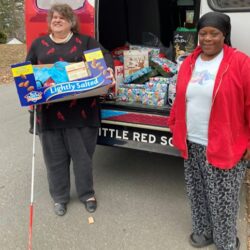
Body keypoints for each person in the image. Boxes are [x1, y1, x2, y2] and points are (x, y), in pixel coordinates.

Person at [167, 12, 250, 250]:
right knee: (197, 192)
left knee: (223, 199)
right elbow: (180, 98)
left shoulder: (241, 63)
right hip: (192, 140)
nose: (208, 38)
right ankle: (203, 232)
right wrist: (174, 126)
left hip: (226, 142)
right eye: (203, 33)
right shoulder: (188, 62)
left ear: (225, 34)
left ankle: (226, 242)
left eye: (214, 33)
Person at [26, 3, 115, 216]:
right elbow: (26, 72)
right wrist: (28, 87)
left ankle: (87, 194)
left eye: (62, 17)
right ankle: (60, 197)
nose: (57, 20)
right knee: (54, 159)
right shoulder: (39, 44)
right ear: (49, 22)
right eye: (54, 17)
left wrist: (108, 71)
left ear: (71, 22)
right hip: (49, 114)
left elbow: (104, 60)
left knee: (83, 157)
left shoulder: (85, 42)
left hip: (82, 113)